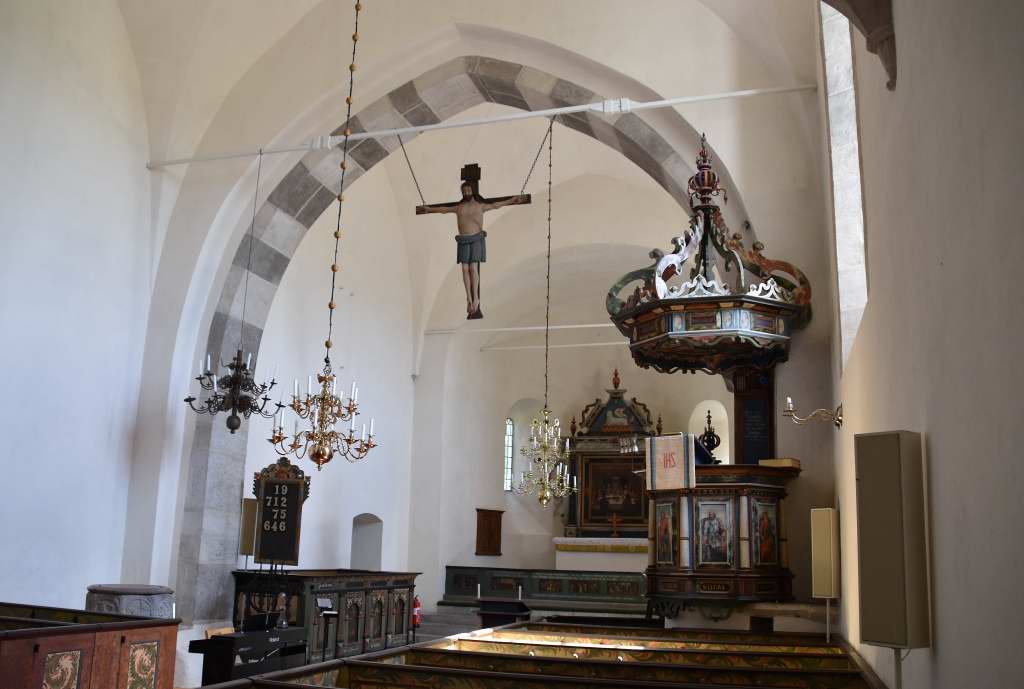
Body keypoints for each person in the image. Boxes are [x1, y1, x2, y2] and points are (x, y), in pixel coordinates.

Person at [417, 182, 529, 318]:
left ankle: (476, 298)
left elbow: (496, 205)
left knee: (473, 268)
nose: (466, 192)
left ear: (473, 190)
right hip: (463, 239)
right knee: (464, 269)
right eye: (464, 191)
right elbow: (444, 209)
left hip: (476, 238)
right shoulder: (459, 207)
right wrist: (429, 209)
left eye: (468, 190)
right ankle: (469, 298)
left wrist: (511, 200)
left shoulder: (480, 206)